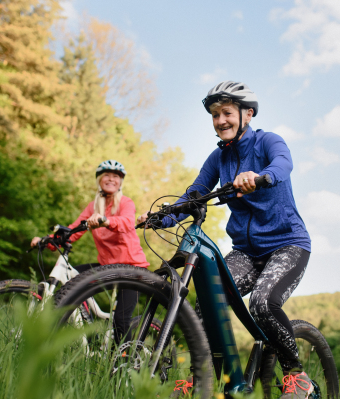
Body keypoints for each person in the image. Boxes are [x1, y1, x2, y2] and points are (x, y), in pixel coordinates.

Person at [137, 81, 313, 398]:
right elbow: (193, 195)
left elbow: (283, 164)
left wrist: (261, 177)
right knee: (206, 304)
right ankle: (208, 379)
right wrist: (159, 218)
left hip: (287, 244)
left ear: (247, 113)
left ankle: (297, 375)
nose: (221, 121)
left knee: (262, 303)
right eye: (215, 115)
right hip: (245, 251)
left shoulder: (267, 142)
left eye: (227, 113)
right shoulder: (219, 159)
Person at [32, 159, 149, 344]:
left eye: (116, 176)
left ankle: (125, 363)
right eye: (107, 176)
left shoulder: (126, 202)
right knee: (72, 279)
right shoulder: (93, 207)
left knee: (121, 320)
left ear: (120, 182)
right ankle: (79, 334)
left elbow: (127, 222)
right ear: (100, 180)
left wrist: (106, 221)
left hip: (132, 268)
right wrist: (47, 241)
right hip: (107, 266)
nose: (111, 179)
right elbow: (73, 231)